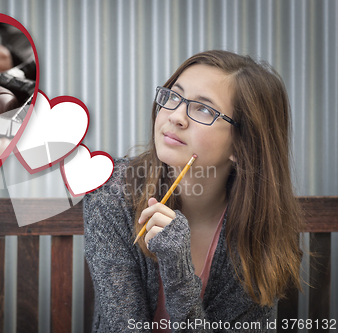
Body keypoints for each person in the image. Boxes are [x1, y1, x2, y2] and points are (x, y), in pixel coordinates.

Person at [83, 50, 303, 332]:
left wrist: (178, 270)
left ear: (242, 145)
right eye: (174, 96)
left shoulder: (258, 227)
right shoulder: (111, 191)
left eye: (204, 109)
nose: (175, 116)